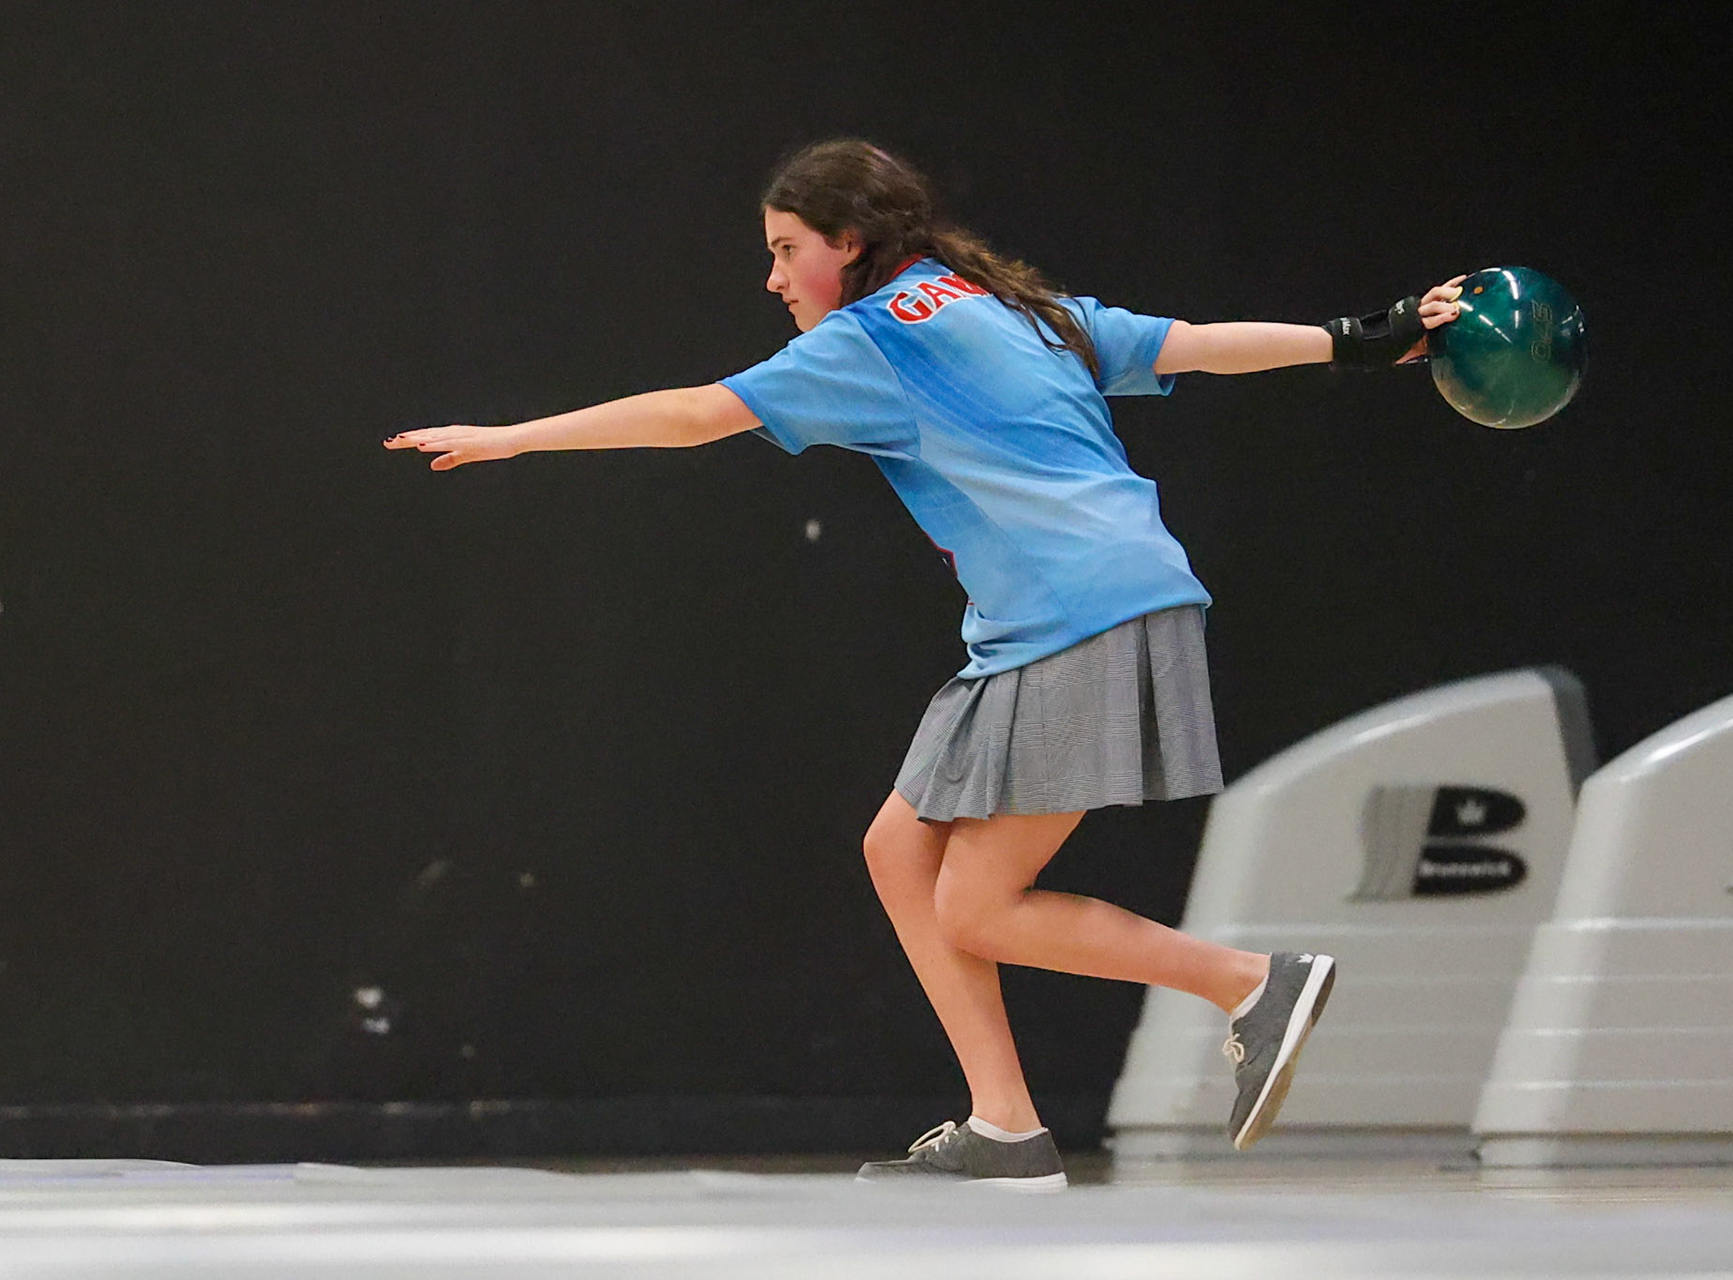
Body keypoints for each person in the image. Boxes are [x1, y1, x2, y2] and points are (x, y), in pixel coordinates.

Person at [387, 138, 1463, 1190]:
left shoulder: (870, 341)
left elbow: (693, 416)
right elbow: (1199, 343)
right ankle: (1005, 1126)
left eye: (786, 249)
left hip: (1078, 613)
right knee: (901, 851)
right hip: (1064, 614)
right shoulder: (1008, 305)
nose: (773, 278)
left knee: (980, 908)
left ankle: (1251, 983)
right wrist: (1365, 339)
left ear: (850, 242)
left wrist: (514, 437)